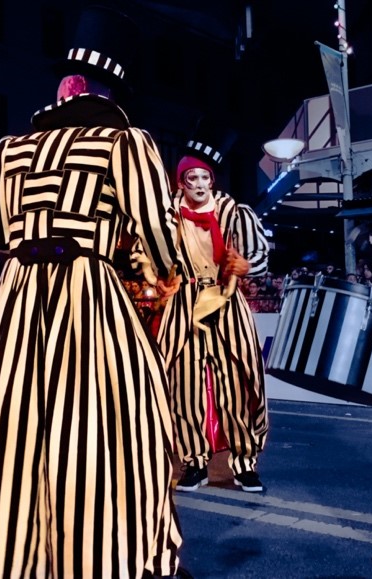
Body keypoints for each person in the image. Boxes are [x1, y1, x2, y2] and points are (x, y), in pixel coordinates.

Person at [0, 6, 189, 578]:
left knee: (15, 428)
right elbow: (160, 241)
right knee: (116, 423)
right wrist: (152, 269)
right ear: (116, 91)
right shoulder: (127, 143)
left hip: (19, 294)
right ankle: (107, 553)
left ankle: (9, 558)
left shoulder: (10, 149)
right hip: (89, 291)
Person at [134, 117, 270, 494]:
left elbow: (258, 254)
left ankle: (244, 463)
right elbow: (147, 253)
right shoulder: (166, 215)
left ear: (213, 181)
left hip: (225, 302)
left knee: (238, 382)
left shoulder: (234, 212)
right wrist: (156, 276)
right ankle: (193, 462)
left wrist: (246, 266)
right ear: (181, 182)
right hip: (183, 303)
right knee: (185, 384)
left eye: (204, 178)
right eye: (191, 179)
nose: (198, 185)